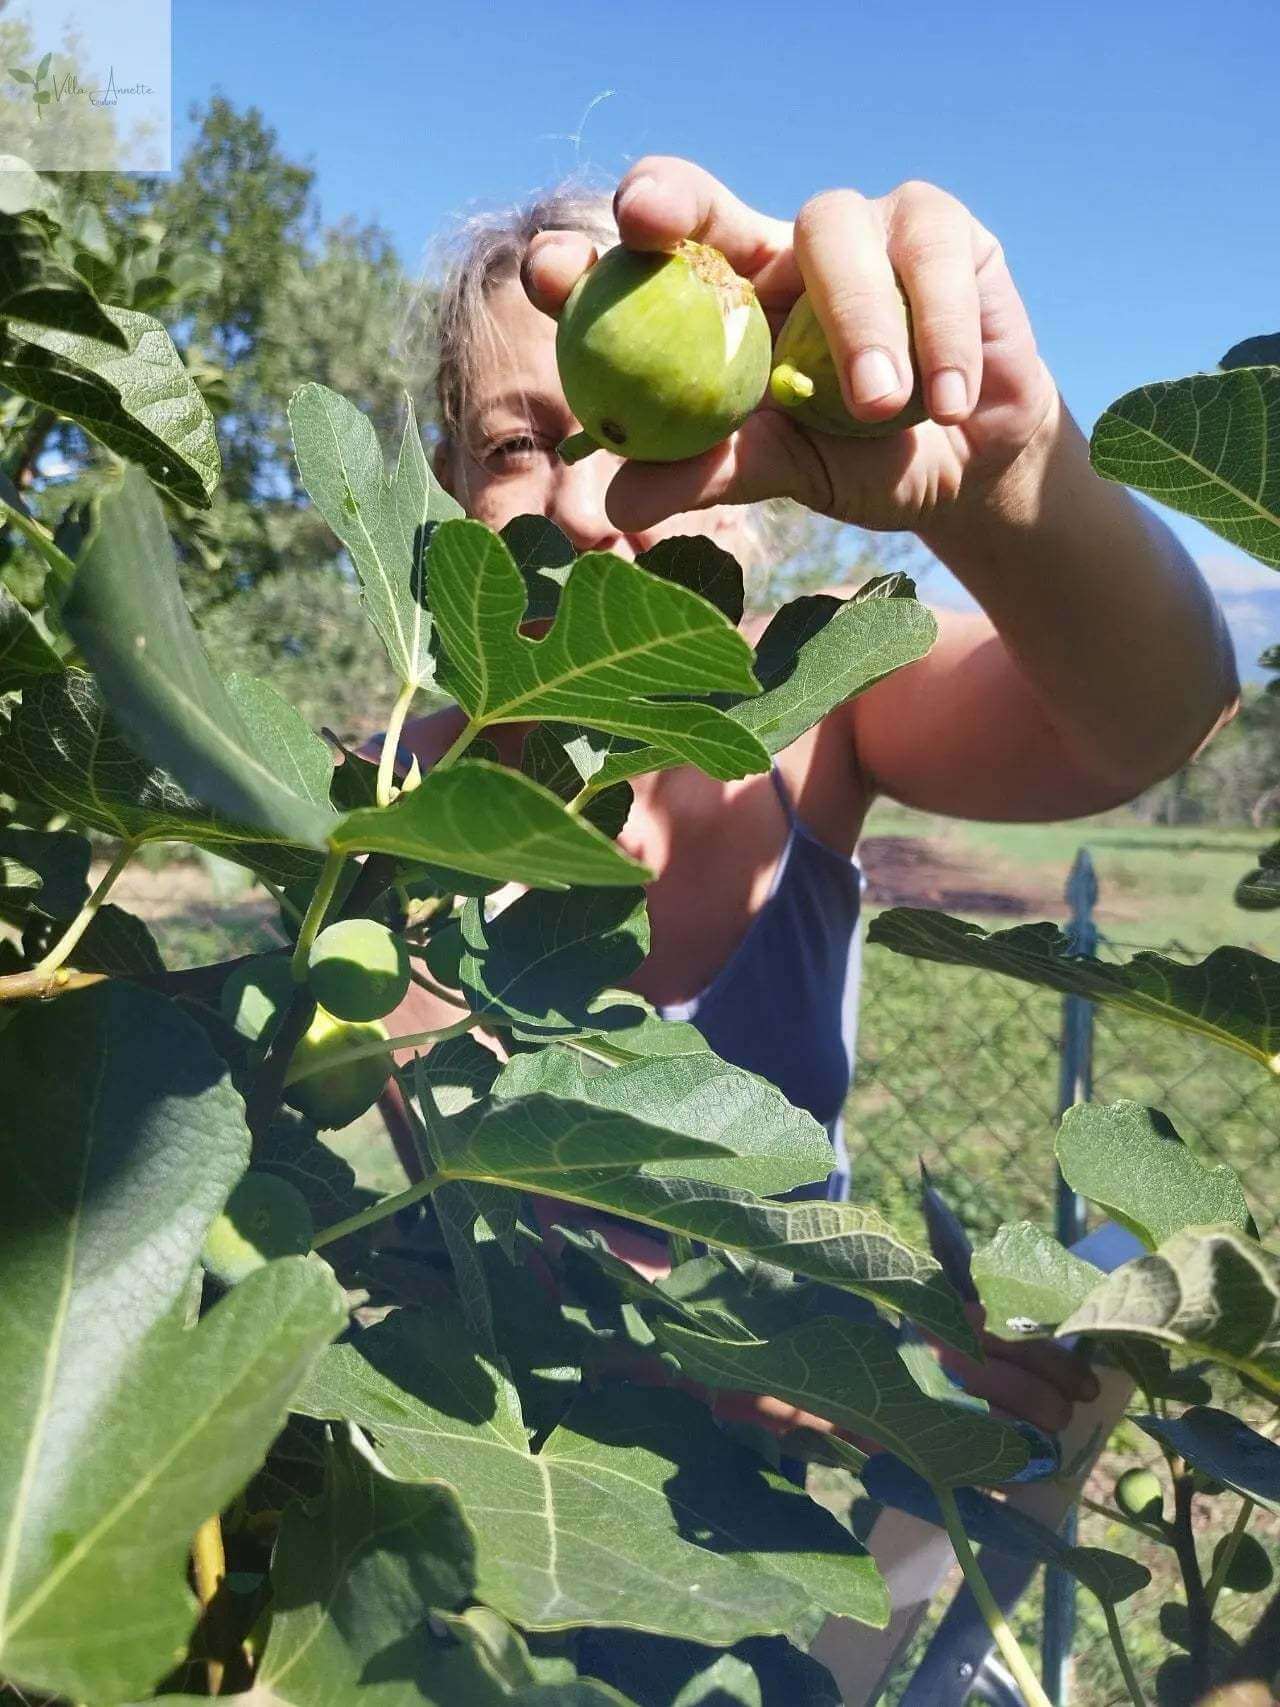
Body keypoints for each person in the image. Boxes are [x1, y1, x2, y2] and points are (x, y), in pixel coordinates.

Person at [381, 156, 1238, 1438]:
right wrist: (854, 1389)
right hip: (472, 1484)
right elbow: (508, 1265)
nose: (582, 500)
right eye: (518, 442)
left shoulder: (817, 688)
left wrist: (1002, 470)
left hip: (755, 1534)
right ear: (451, 477)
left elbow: (1154, 716)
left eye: (636, 425)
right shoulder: (397, 793)